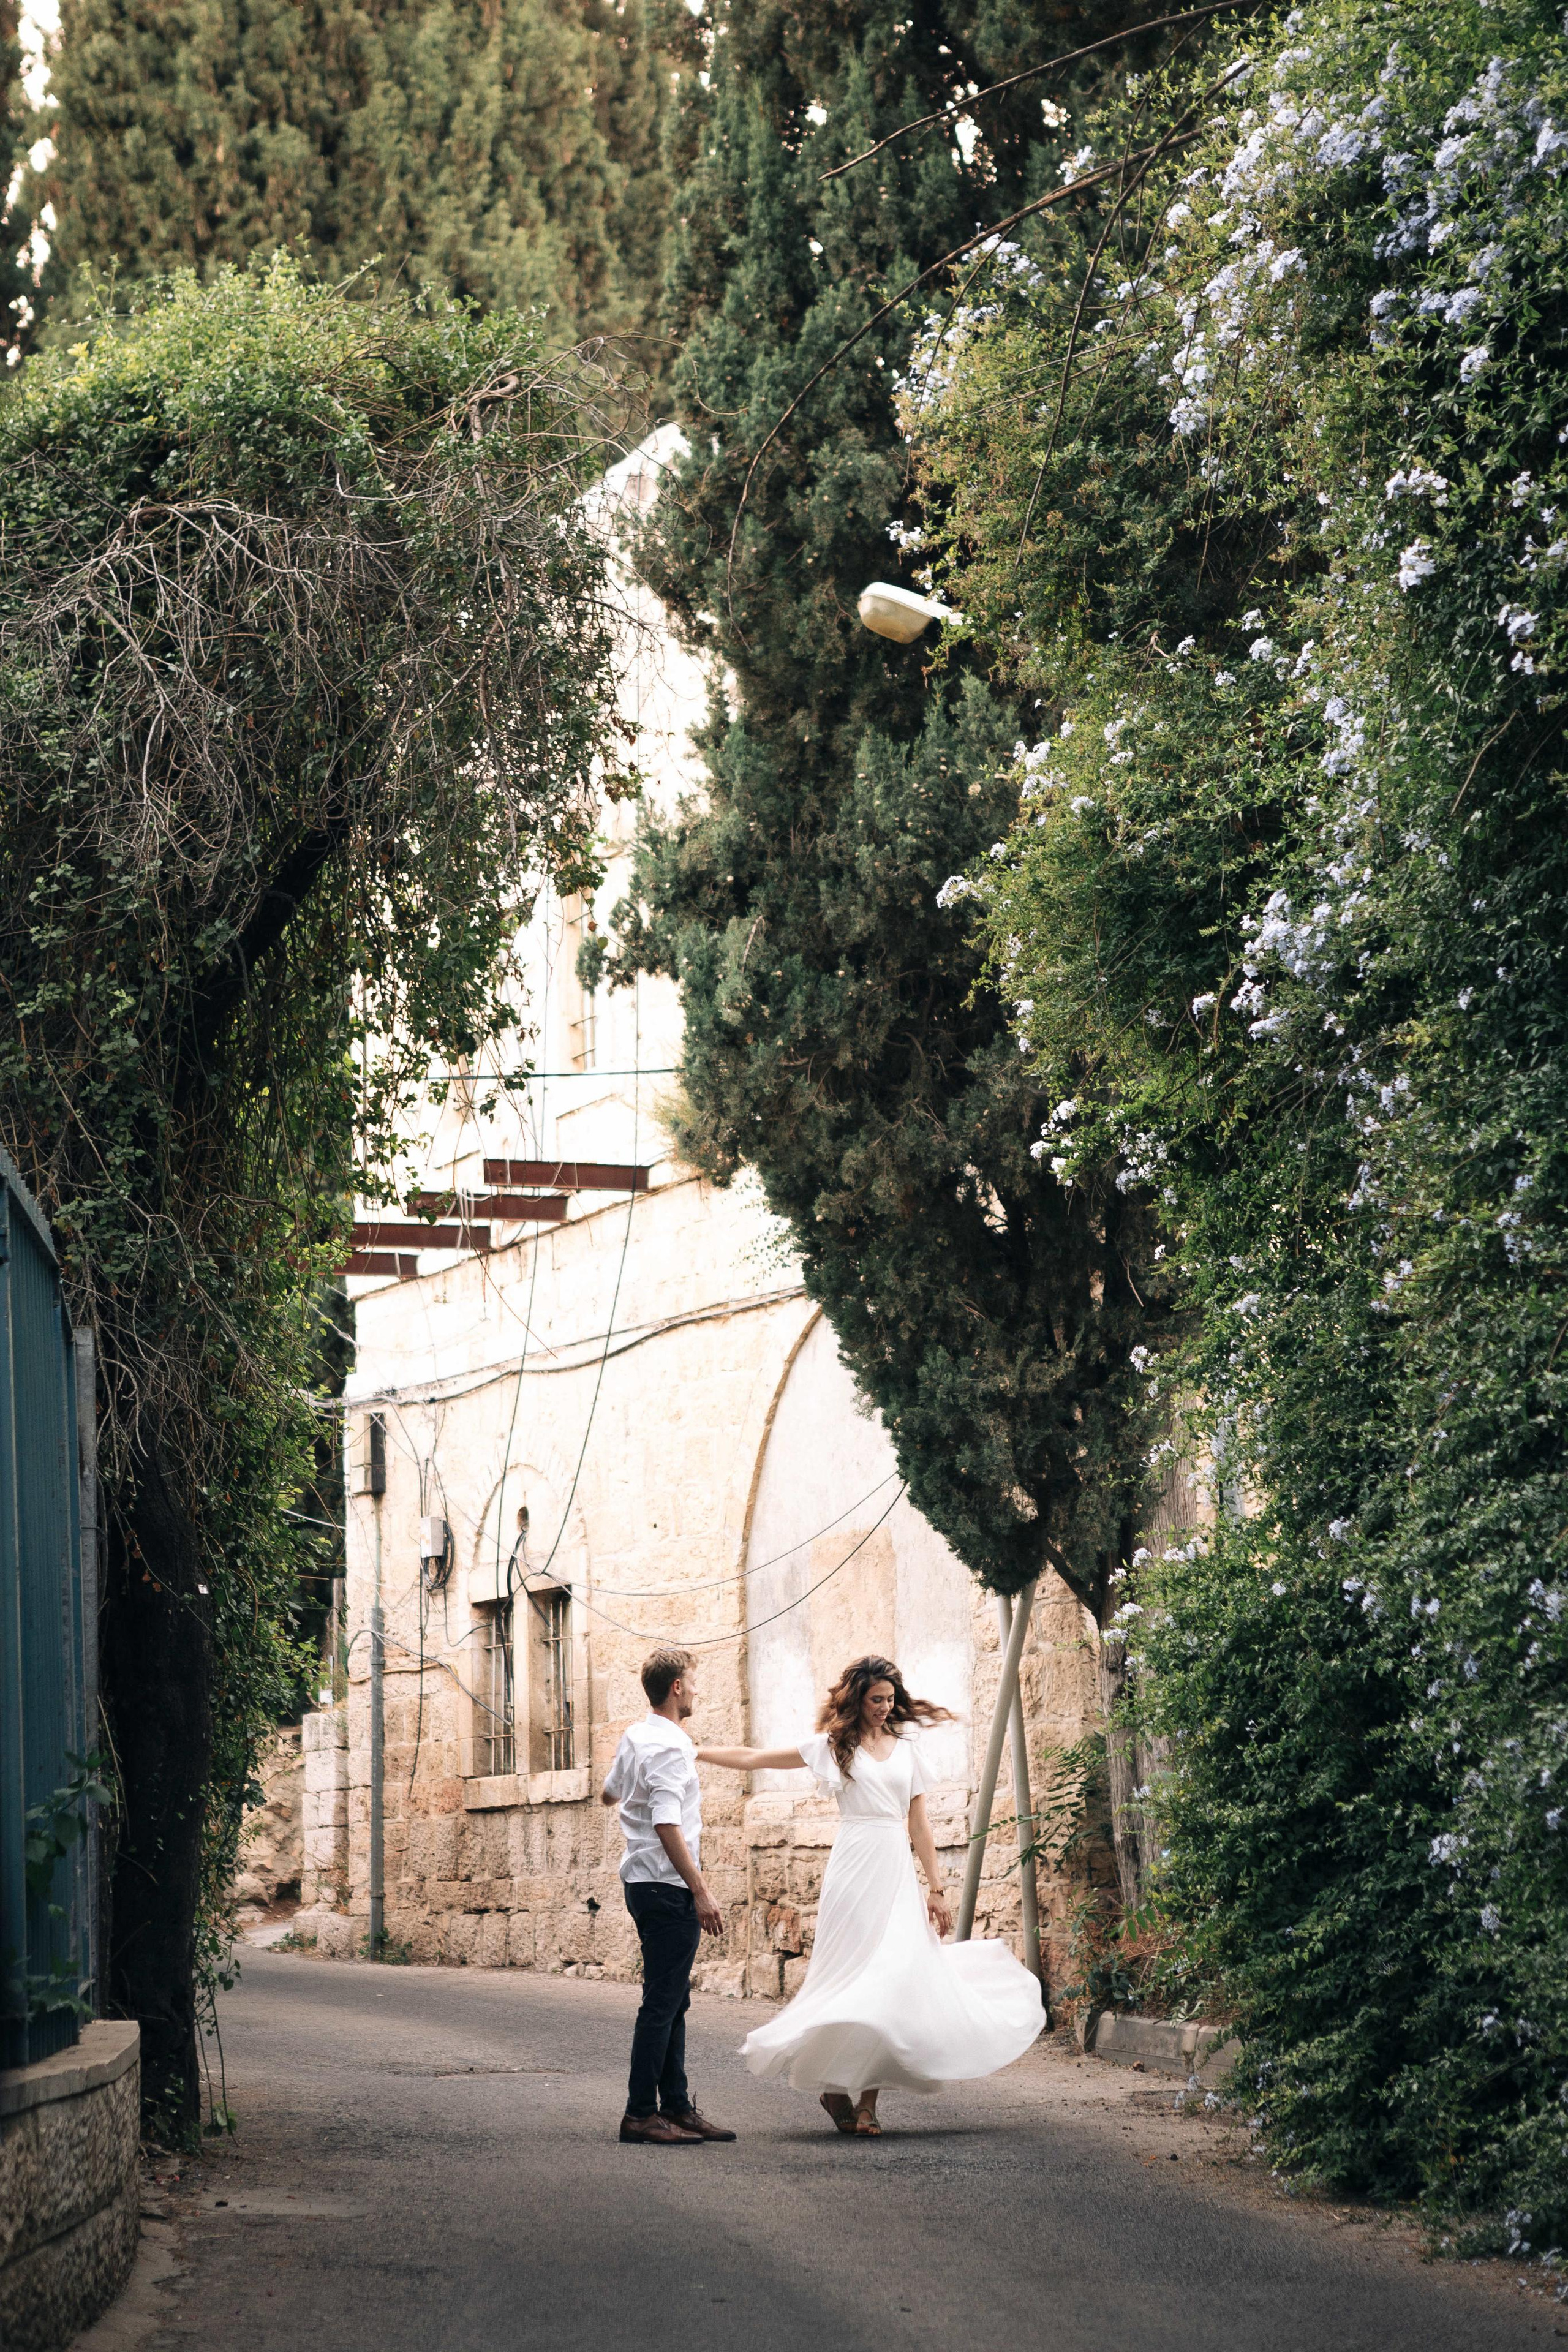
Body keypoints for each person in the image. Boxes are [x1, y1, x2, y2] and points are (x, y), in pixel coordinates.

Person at [696, 1653, 1044, 2136]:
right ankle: (836, 2088)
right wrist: (696, 1752)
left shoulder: (906, 1748)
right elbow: (757, 1759)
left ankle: (868, 2103)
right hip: (853, 1867)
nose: (885, 1707)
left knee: (894, 1977)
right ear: (857, 1699)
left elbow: (918, 1823)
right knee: (850, 1976)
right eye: (877, 1699)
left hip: (894, 1868)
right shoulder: (833, 1746)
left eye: (890, 1699)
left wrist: (936, 1888)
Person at [601, 1647, 737, 2144]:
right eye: (693, 1682)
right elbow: (666, 1822)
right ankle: (640, 2114)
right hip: (666, 1885)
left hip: (642, 1882)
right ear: (676, 1687)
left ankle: (675, 2106)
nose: (698, 1690)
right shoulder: (672, 1748)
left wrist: (623, 1799)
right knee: (661, 2004)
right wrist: (701, 1890)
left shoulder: (637, 1735)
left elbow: (610, 1792)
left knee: (673, 2000)